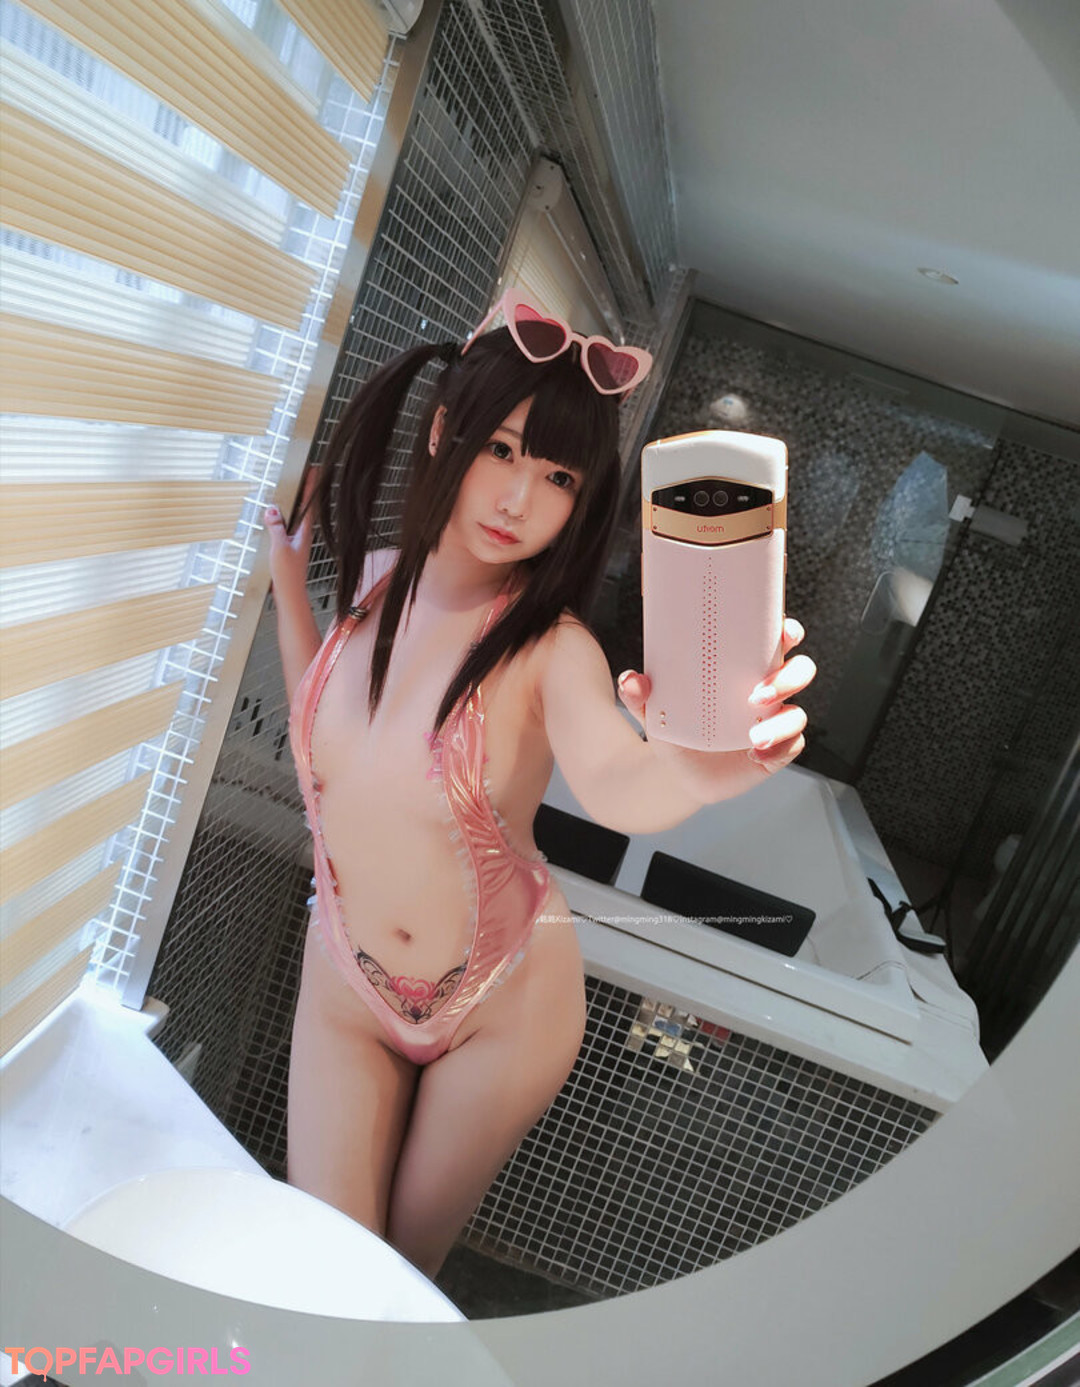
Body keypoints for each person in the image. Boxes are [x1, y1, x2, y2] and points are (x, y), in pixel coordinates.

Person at [265, 291, 816, 1281]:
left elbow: (616, 785)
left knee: (401, 1275)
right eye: (502, 450)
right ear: (445, 432)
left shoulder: (551, 648)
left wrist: (699, 765)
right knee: (323, 1269)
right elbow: (325, 725)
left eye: (559, 475)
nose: (520, 498)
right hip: (347, 975)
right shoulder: (373, 584)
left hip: (504, 1003)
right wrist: (286, 576)